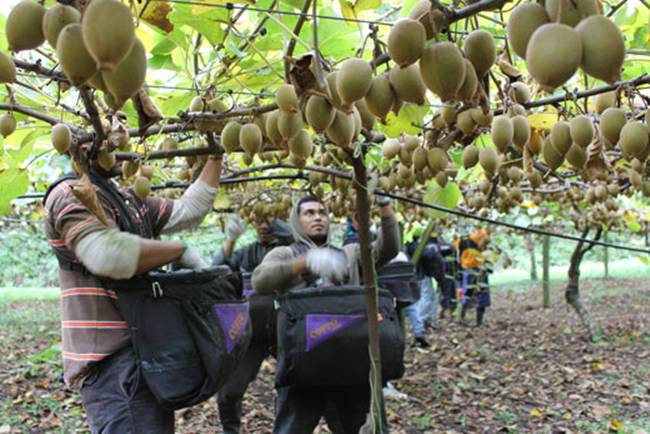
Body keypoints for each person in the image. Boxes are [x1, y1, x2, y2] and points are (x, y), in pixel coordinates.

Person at [44, 152, 223, 434]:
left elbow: (189, 209)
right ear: (84, 143)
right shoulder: (70, 193)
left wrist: (215, 154)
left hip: (142, 353)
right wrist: (180, 250)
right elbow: (107, 255)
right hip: (113, 367)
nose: (121, 143)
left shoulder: (126, 200)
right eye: (110, 131)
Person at [251, 195, 399, 434]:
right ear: (296, 221)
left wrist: (384, 209)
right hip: (303, 363)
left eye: (322, 212)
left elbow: (388, 250)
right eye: (309, 213)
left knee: (361, 426)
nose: (318, 217)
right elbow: (260, 281)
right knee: (292, 428)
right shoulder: (284, 254)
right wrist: (306, 261)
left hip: (350, 358)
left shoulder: (350, 254)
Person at [212, 216, 293, 434]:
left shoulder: (290, 248)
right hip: (250, 331)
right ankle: (230, 430)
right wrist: (230, 239)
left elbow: (290, 235)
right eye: (259, 222)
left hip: (283, 329)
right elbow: (218, 266)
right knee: (229, 390)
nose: (264, 226)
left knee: (293, 385)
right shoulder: (248, 252)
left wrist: (273, 219)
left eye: (270, 221)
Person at [455, 228, 492, 327]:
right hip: (480, 268)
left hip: (467, 268)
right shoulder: (484, 234)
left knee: (467, 293)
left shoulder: (461, 239)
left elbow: (457, 254)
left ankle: (461, 317)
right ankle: (479, 322)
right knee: (482, 293)